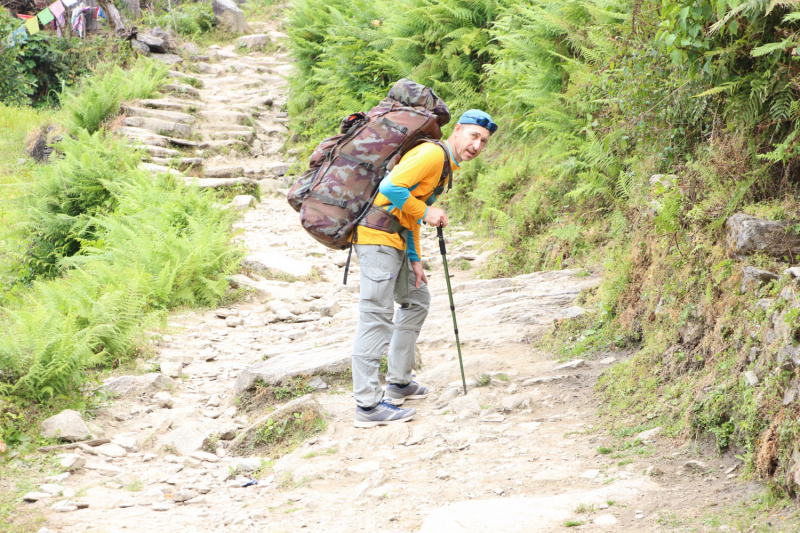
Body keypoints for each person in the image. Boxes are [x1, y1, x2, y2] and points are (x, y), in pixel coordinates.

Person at [350, 109, 497, 428]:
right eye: (473, 136)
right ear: (457, 130)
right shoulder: (432, 154)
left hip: (397, 239)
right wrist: (426, 212)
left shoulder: (445, 166)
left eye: (483, 141)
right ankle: (367, 404)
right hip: (377, 237)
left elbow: (412, 207)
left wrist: (415, 259)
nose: (477, 145)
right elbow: (390, 188)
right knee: (375, 314)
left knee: (417, 300)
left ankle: (399, 383)